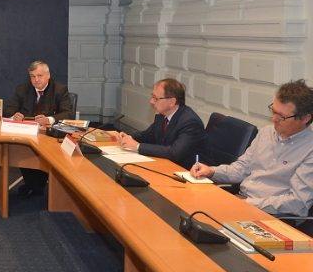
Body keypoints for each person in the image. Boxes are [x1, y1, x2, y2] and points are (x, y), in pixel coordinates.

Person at [191, 79, 313, 218]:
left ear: (305, 119)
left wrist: (248, 203)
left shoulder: (309, 150)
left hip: (271, 215)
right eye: (274, 111)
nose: (274, 119)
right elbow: (242, 168)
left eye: (282, 116)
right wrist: (212, 171)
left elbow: (297, 203)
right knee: (192, 211)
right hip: (241, 202)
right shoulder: (266, 133)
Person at [4, 61, 73, 199]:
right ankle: (35, 186)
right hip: (27, 134)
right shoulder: (22, 90)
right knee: (23, 149)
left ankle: (34, 186)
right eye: (33, 76)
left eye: (40, 76)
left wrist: (49, 119)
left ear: (48, 75)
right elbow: (8, 110)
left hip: (49, 135)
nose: (36, 80)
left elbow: (68, 114)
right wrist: (14, 115)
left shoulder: (59, 90)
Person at [115, 78, 211, 169]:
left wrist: (137, 147)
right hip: (168, 166)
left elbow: (174, 153)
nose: (151, 101)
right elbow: (148, 135)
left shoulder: (190, 122)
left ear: (172, 102)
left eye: (156, 98)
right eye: (152, 97)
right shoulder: (161, 116)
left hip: (191, 173)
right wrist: (128, 138)